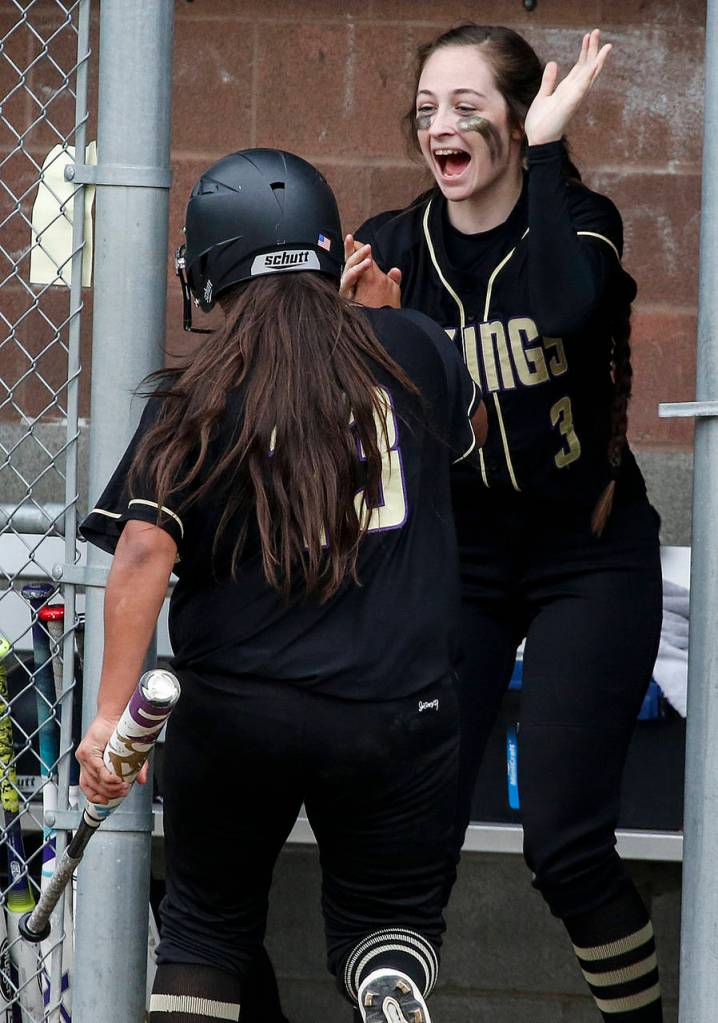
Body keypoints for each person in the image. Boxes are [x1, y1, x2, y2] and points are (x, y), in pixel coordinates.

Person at [76, 148, 486, 1023]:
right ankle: (387, 982)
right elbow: (470, 430)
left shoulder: (200, 392)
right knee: (387, 920)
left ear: (210, 269)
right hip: (395, 710)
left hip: (237, 713)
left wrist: (112, 719)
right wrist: (388, 327)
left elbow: (145, 549)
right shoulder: (411, 346)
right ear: (331, 250)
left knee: (206, 932)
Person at [343, 26, 664, 1023]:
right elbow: (353, 443)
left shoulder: (580, 220)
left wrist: (556, 153)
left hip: (588, 555)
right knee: (415, 830)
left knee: (564, 844)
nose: (442, 124)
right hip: (458, 563)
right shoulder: (392, 250)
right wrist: (365, 333)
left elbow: (566, 313)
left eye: (468, 105)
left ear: (517, 120)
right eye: (427, 107)